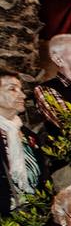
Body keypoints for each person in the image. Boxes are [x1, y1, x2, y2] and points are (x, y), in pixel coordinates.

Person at [0, 72, 46, 217]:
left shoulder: (29, 135)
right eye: (12, 89)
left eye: (20, 89)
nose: (23, 96)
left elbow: (43, 176)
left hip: (32, 215)